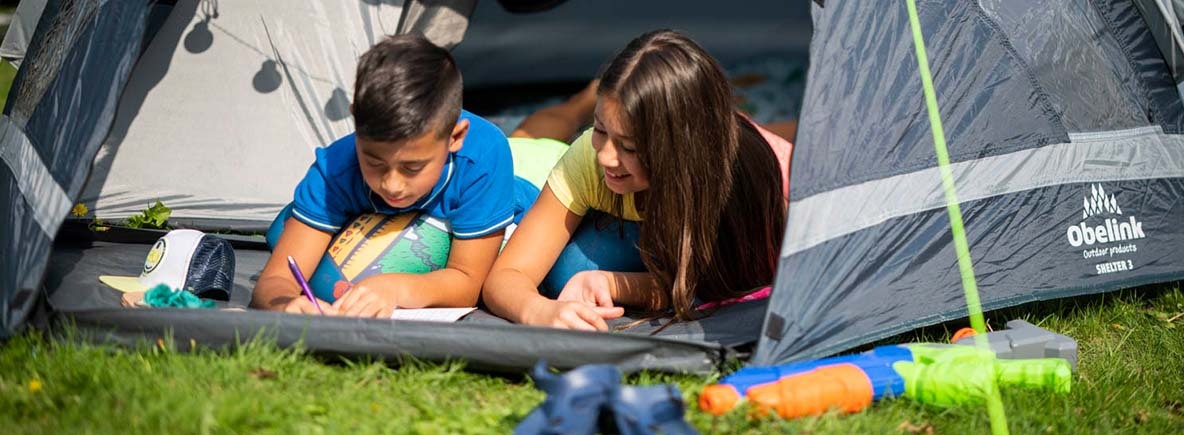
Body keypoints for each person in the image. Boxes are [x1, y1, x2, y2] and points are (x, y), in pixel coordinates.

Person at [483, 29, 791, 331]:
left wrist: (616, 283)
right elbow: (507, 275)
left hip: (734, 165)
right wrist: (537, 311)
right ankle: (581, 104)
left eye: (629, 147)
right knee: (528, 141)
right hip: (533, 169)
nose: (606, 156)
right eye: (600, 129)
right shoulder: (588, 160)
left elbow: (721, 282)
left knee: (581, 270)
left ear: (681, 149)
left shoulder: (742, 177)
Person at [253, 34, 533, 317]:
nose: (392, 185)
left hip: (517, 204)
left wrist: (395, 288)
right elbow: (276, 280)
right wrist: (286, 303)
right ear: (355, 121)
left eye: (412, 168)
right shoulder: (335, 168)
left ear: (455, 137)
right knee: (283, 228)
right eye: (374, 162)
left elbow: (468, 280)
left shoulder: (483, 158)